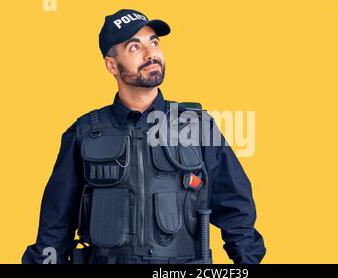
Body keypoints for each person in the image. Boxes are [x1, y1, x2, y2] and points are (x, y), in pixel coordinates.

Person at [22, 9, 265, 264]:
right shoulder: (83, 133)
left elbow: (236, 209)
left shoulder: (197, 126)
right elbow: (54, 227)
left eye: (154, 43)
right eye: (135, 47)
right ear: (111, 64)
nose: (151, 54)